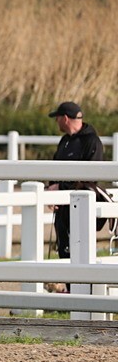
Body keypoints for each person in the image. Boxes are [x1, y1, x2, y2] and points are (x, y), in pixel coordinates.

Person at [47, 101, 105, 258]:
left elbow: (91, 179)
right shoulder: (64, 142)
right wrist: (52, 190)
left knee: (80, 252)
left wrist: (61, 187)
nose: (56, 121)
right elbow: (54, 169)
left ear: (65, 118)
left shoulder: (92, 142)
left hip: (81, 207)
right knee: (64, 251)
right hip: (62, 209)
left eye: (57, 118)